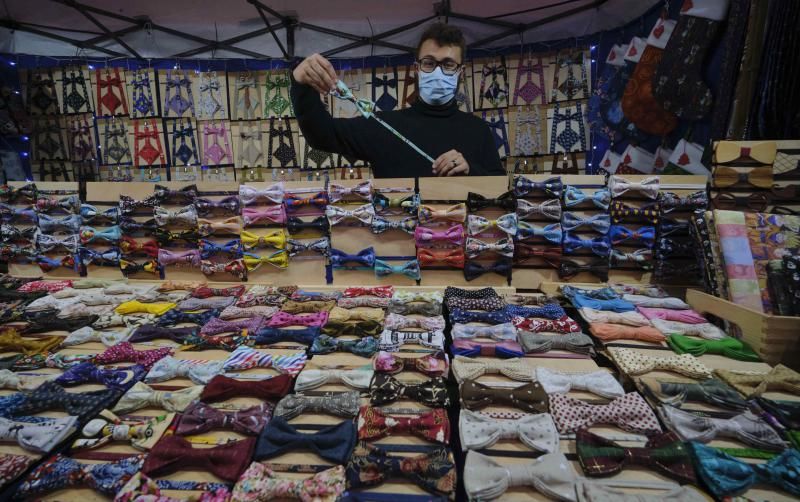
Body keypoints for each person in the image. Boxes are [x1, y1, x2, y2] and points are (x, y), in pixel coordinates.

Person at [290, 22, 506, 178]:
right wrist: (300, 83)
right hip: (396, 238)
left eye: (448, 65)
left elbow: (499, 189)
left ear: (461, 71)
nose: (438, 72)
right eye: (429, 63)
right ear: (417, 69)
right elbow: (322, 134)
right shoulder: (384, 126)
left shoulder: (477, 130)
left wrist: (471, 171)